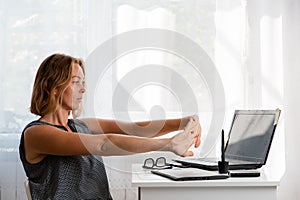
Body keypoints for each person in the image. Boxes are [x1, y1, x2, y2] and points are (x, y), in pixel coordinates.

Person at [19, 53, 201, 199]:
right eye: (75, 82)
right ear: (54, 86)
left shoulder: (81, 125)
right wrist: (168, 144)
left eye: (83, 83)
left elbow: (136, 129)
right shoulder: (36, 134)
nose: (83, 89)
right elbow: (103, 144)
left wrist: (184, 122)